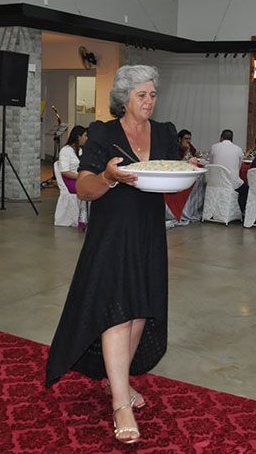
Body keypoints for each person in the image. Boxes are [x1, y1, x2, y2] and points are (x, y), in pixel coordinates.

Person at [45, 65, 179, 445]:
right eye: (142, 95)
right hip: (112, 235)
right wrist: (108, 177)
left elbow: (172, 175)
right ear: (124, 98)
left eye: (153, 94)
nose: (149, 101)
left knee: (140, 309)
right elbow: (84, 188)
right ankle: (121, 402)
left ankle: (115, 380)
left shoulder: (165, 132)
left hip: (149, 233)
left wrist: (188, 172)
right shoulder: (104, 133)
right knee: (117, 310)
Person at [210, 129, 246, 211]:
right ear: (232, 139)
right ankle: (240, 210)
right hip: (231, 184)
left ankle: (211, 208)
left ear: (221, 138)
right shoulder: (238, 149)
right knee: (246, 189)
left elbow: (211, 164)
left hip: (215, 183)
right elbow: (239, 166)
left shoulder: (214, 147)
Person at [58, 125, 87, 193]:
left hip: (79, 177)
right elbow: (65, 172)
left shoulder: (81, 150)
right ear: (79, 137)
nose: (87, 138)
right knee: (93, 187)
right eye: (85, 136)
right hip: (70, 180)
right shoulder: (65, 150)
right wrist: (81, 177)